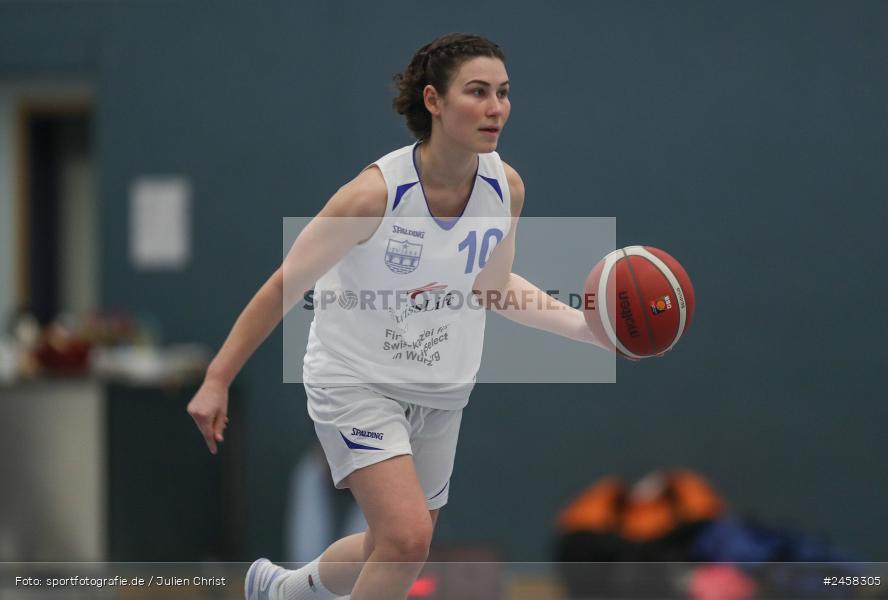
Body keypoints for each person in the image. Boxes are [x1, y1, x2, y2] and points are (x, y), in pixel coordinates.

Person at [187, 32, 615, 600]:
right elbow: (285, 285)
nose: (496, 108)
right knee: (407, 540)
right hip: (354, 381)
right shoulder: (373, 196)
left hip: (441, 390)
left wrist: (587, 329)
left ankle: (283, 591)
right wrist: (218, 377)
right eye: (478, 91)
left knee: (389, 546)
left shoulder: (505, 189)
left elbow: (494, 288)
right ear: (434, 101)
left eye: (504, 93)